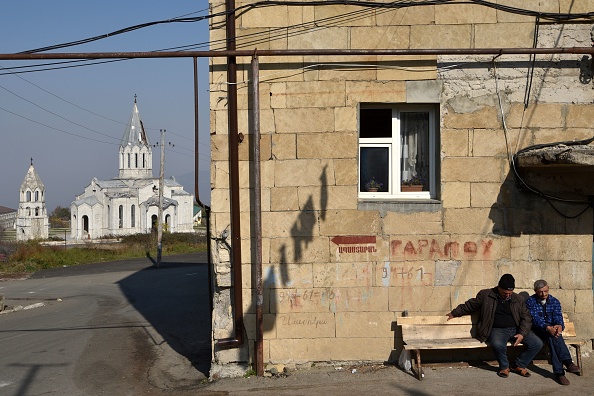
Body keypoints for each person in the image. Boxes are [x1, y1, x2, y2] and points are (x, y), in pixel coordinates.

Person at [446, 274, 543, 378]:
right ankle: (504, 367)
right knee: (497, 344)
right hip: (497, 329)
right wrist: (455, 313)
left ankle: (518, 365)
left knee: (537, 343)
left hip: (516, 328)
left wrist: (522, 334)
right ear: (499, 287)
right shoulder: (486, 295)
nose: (508, 295)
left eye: (510, 293)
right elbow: (471, 305)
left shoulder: (518, 299)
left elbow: (526, 318)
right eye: (505, 293)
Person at [526, 279, 580, 385]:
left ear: (548, 288)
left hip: (551, 332)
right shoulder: (530, 301)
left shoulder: (554, 301)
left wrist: (559, 326)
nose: (544, 294)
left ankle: (560, 373)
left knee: (553, 337)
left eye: (545, 291)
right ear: (535, 291)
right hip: (537, 331)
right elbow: (535, 318)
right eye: (540, 292)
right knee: (552, 335)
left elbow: (557, 316)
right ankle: (568, 362)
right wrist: (547, 327)